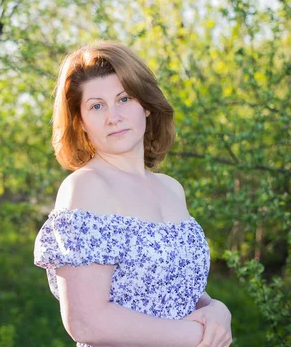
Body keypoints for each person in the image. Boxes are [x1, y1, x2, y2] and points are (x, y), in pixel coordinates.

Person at [33, 41, 233, 347]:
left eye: (124, 99)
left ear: (146, 104)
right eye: (97, 106)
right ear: (81, 122)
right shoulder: (85, 187)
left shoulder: (170, 188)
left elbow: (176, 287)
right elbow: (87, 322)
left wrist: (217, 310)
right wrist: (197, 337)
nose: (113, 116)